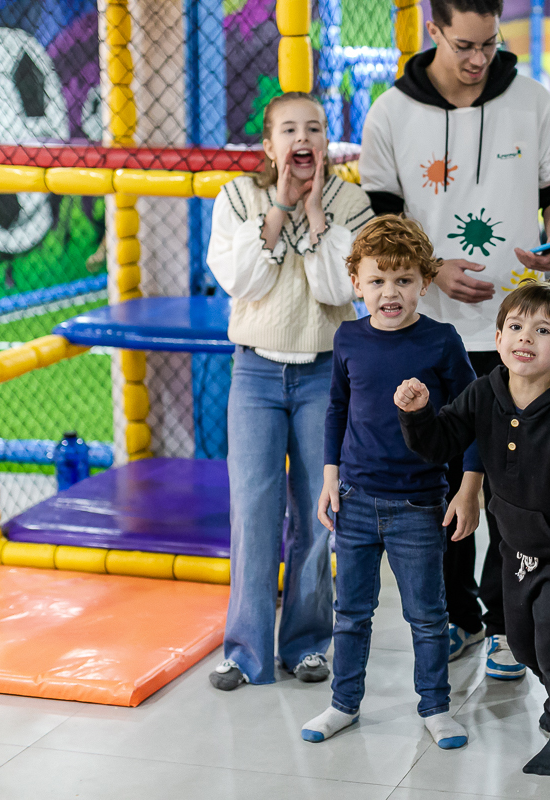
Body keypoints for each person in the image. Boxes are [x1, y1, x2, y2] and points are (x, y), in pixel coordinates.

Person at [359, 0, 550, 679]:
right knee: (446, 488)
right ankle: (458, 617)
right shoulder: (390, 113)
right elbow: (381, 223)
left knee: (518, 491)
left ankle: (505, 626)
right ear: (433, 32)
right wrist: (431, 272)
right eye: (464, 45)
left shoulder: (531, 99)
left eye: (489, 43)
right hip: (433, 336)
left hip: (515, 335)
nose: (479, 59)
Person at [395, 280, 550, 776]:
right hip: (516, 551)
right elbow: (440, 444)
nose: (525, 337)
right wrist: (416, 415)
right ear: (498, 339)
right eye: (515, 327)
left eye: (542, 331)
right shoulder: (484, 393)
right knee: (521, 644)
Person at [205, 92, 374, 690]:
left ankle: (306, 642)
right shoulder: (236, 198)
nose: (303, 139)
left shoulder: (350, 201)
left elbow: (337, 290)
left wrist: (320, 220)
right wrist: (279, 207)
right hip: (255, 373)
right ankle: (245, 649)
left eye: (315, 129)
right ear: (270, 145)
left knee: (317, 511)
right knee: (252, 510)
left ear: (325, 142)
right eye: (289, 130)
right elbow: (242, 281)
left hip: (323, 375)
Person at [302, 215, 479, 749]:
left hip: (419, 505)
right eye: (377, 281)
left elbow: (469, 419)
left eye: (402, 281)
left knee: (428, 617)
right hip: (354, 500)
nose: (390, 292)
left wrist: (469, 488)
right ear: (356, 283)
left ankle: (436, 707)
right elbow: (337, 408)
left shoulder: (442, 342)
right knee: (351, 613)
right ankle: (343, 704)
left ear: (424, 283)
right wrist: (329, 478)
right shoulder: (349, 338)